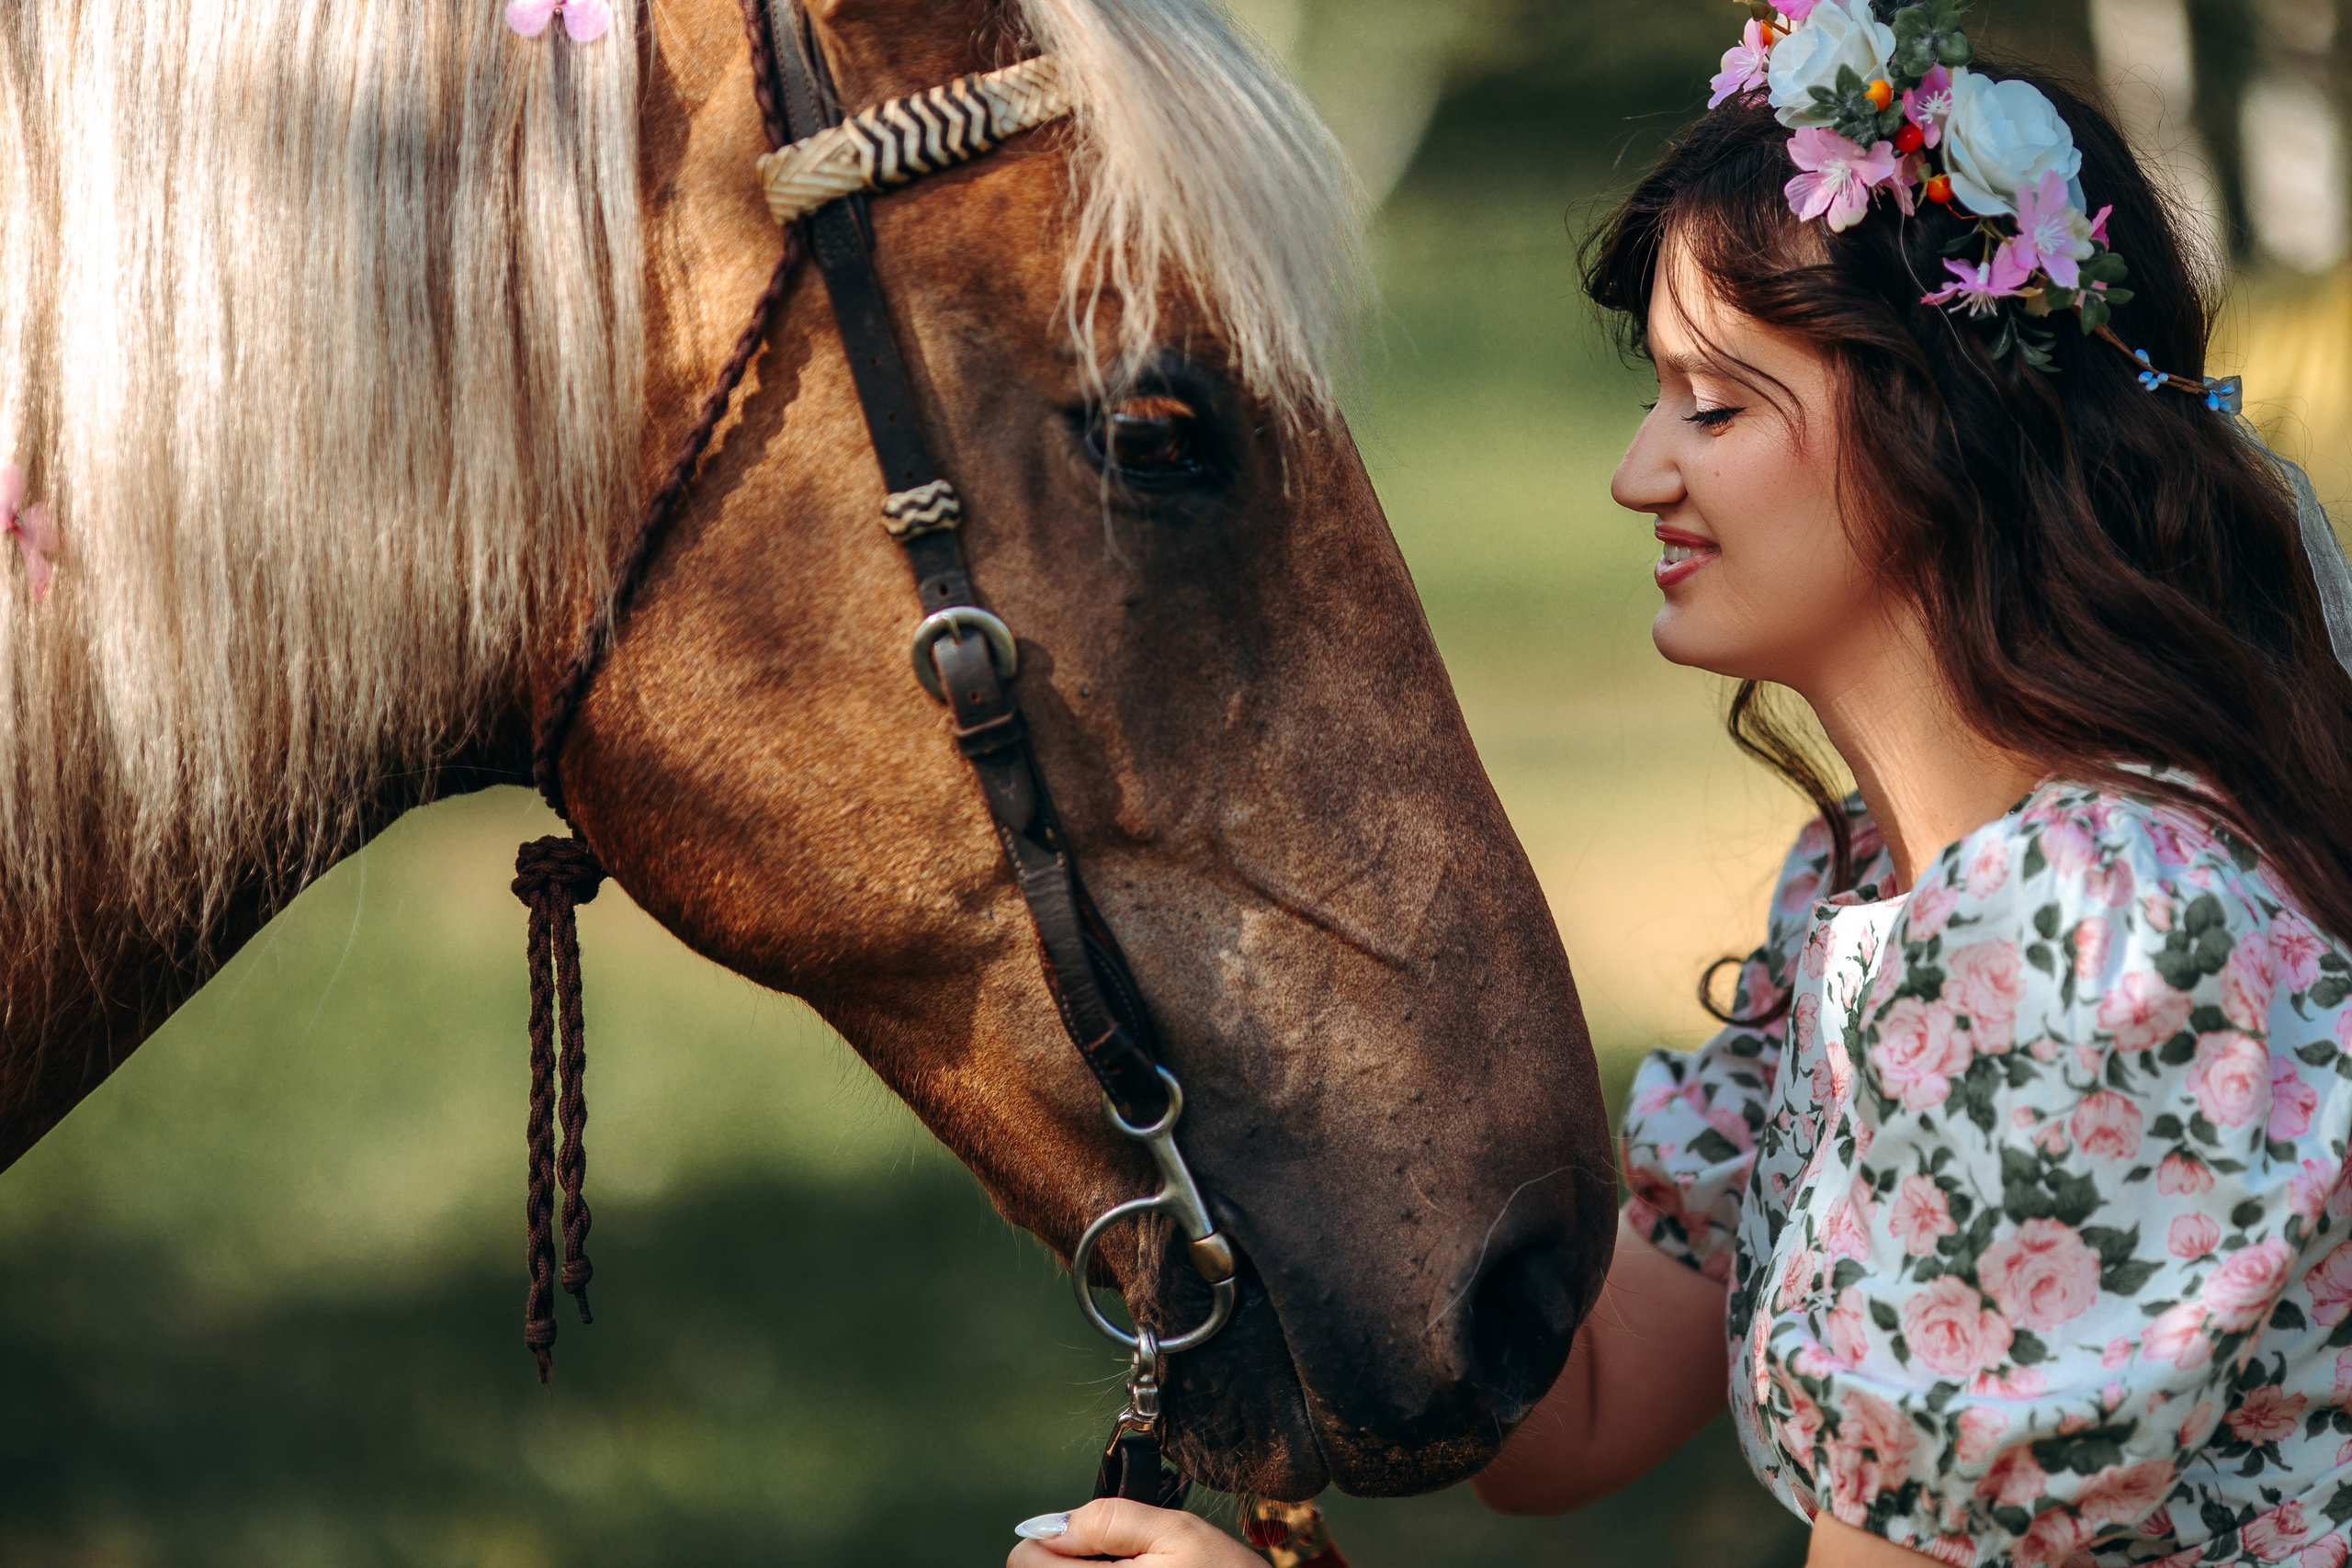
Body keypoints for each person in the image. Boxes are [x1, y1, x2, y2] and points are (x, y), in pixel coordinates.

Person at [1009, 4, 2352, 1563]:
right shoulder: (1861, 890)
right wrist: (1222, 1085)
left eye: (1714, 406)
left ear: (1941, 423)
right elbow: (1556, 1421)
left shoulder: (2095, 939)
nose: (1640, 472)